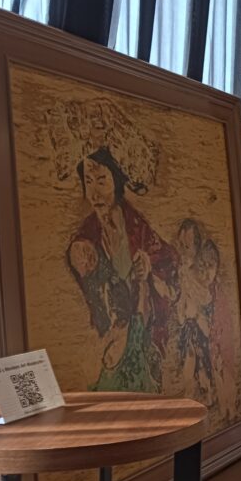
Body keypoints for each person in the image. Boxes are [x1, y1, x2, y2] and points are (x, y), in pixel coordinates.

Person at [67, 146, 177, 393]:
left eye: (101, 181)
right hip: (112, 338)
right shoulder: (87, 236)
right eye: (88, 182)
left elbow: (168, 261)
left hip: (140, 327)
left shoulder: (136, 226)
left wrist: (149, 268)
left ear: (116, 182)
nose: (94, 192)